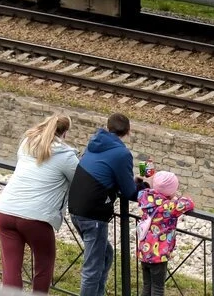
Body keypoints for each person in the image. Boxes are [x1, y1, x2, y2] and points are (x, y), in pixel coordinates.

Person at [0, 114, 79, 293]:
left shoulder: (27, 143)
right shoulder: (66, 156)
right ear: (65, 133)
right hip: (36, 217)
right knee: (43, 265)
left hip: (6, 210)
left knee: (10, 268)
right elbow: (79, 182)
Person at [67, 113, 142, 296]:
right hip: (94, 214)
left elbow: (104, 171)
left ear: (107, 127)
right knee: (92, 267)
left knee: (106, 254)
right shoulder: (122, 153)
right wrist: (144, 187)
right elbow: (129, 192)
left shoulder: (94, 143)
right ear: (128, 131)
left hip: (76, 209)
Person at [136, 171, 195, 296]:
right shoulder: (169, 206)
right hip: (159, 254)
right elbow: (189, 203)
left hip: (144, 251)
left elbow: (141, 191)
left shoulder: (144, 196)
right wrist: (178, 197)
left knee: (147, 285)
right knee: (158, 288)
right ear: (170, 191)